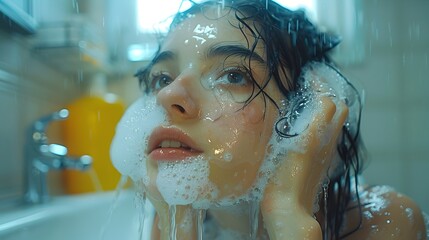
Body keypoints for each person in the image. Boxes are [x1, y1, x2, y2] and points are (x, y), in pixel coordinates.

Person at [110, 0, 428, 239]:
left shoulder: (383, 223)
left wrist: (289, 219)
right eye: (162, 78)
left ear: (303, 113)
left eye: (234, 75)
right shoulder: (173, 218)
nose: (168, 95)